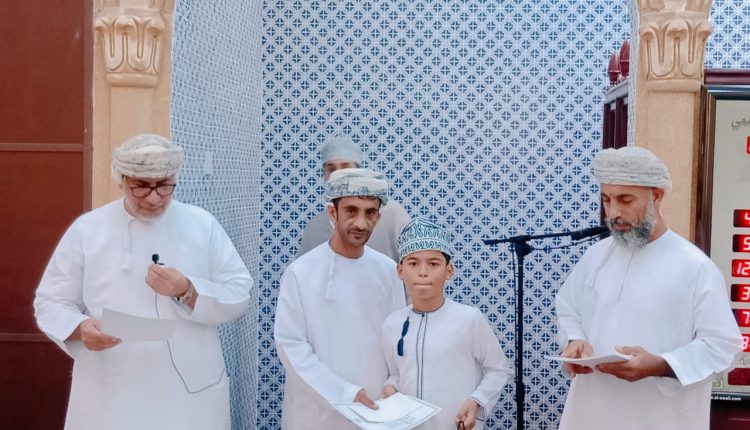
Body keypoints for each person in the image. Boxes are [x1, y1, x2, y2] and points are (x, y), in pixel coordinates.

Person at [33, 134, 253, 430]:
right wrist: (79, 328)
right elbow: (51, 301)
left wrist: (187, 290)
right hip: (110, 389)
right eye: (141, 186)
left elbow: (239, 292)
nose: (153, 197)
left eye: (164, 185)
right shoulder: (88, 229)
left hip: (186, 393)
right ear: (121, 180)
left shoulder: (202, 225)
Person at [555, 146, 742, 430]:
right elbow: (568, 307)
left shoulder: (695, 267)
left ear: (656, 195)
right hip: (590, 413)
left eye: (625, 200)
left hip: (661, 417)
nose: (614, 212)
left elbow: (724, 346)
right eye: (606, 199)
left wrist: (662, 365)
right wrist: (574, 340)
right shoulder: (595, 256)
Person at [275, 167, 406, 429]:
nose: (361, 223)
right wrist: (344, 392)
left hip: (374, 408)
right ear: (333, 213)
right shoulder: (300, 273)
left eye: (370, 213)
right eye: (351, 211)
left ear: (378, 217)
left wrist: (393, 383)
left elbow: (397, 340)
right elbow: (291, 346)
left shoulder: (388, 271)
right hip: (314, 413)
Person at [381, 217, 513, 430]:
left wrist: (476, 400)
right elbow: (397, 373)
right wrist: (390, 389)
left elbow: (499, 369)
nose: (423, 272)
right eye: (413, 263)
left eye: (433, 264)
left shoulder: (469, 319)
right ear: (400, 271)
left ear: (449, 271)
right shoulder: (392, 324)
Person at [298, 135, 410, 261]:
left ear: (359, 171)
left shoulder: (393, 215)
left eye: (345, 167)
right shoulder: (314, 228)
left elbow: (417, 262)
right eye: (331, 169)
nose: (338, 174)